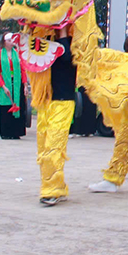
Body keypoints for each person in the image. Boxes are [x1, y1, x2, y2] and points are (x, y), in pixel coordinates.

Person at [37, 26, 77, 206]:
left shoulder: (74, 42)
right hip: (46, 101)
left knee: (54, 145)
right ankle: (57, 186)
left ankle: (50, 190)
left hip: (64, 101)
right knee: (44, 146)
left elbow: (67, 58)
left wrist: (62, 33)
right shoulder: (43, 41)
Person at [0, 32, 28, 140]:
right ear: (4, 42)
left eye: (12, 40)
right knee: (6, 106)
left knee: (18, 105)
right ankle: (6, 132)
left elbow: (23, 69)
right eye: (9, 41)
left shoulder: (17, 54)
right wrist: (3, 86)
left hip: (17, 83)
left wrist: (25, 84)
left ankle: (16, 132)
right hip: (6, 83)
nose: (11, 42)